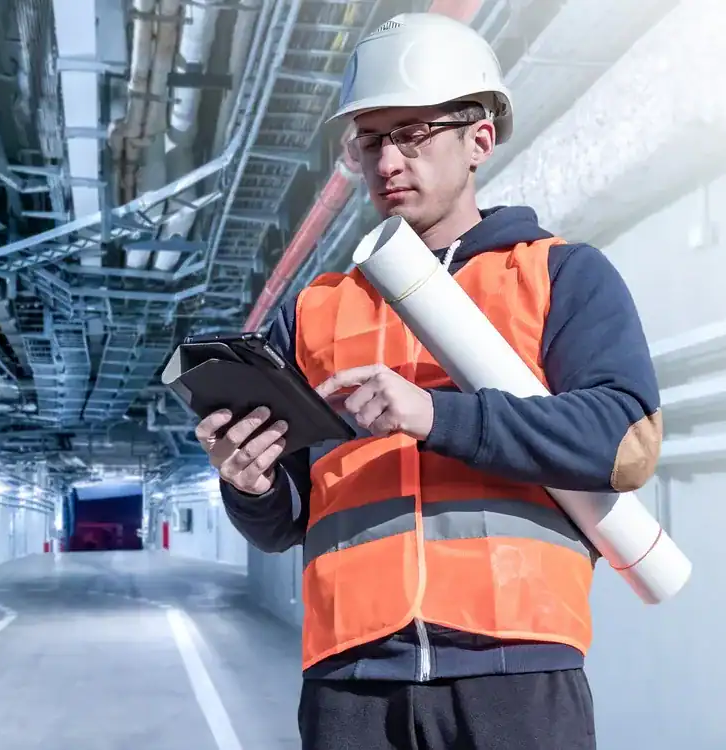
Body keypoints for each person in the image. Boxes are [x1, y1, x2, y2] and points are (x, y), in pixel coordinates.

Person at [192, 12, 663, 750]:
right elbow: (287, 521)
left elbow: (625, 442)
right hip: (350, 683)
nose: (387, 163)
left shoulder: (558, 275)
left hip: (515, 671)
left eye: (412, 134)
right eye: (371, 140)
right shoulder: (315, 310)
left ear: (479, 138)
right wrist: (248, 484)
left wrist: (440, 416)